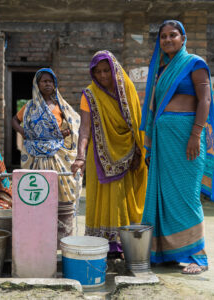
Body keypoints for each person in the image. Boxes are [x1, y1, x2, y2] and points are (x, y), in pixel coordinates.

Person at [140, 20, 214, 274]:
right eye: (163, 36)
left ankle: (198, 255)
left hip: (188, 140)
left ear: (183, 38)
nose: (167, 40)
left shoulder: (194, 64)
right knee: (164, 197)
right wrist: (151, 144)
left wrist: (196, 134)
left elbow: (205, 98)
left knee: (186, 196)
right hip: (164, 144)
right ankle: (167, 253)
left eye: (172, 35)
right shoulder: (161, 70)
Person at [71, 50, 148, 258]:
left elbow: (136, 122)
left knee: (123, 200)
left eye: (106, 70)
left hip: (129, 154)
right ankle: (104, 245)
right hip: (100, 156)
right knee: (102, 199)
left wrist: (139, 153)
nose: (103, 76)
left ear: (114, 69)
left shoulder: (128, 89)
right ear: (92, 73)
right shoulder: (89, 94)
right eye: (98, 72)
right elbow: (84, 128)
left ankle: (126, 244)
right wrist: (80, 156)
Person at [12, 68, 81, 204]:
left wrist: (65, 133)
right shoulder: (30, 106)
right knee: (37, 189)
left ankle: (59, 214)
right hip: (34, 154)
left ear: (54, 84)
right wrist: (22, 131)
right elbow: (14, 120)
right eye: (44, 81)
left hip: (56, 153)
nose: (47, 84)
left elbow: (74, 122)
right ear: (37, 84)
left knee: (57, 188)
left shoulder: (61, 106)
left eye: (50, 81)